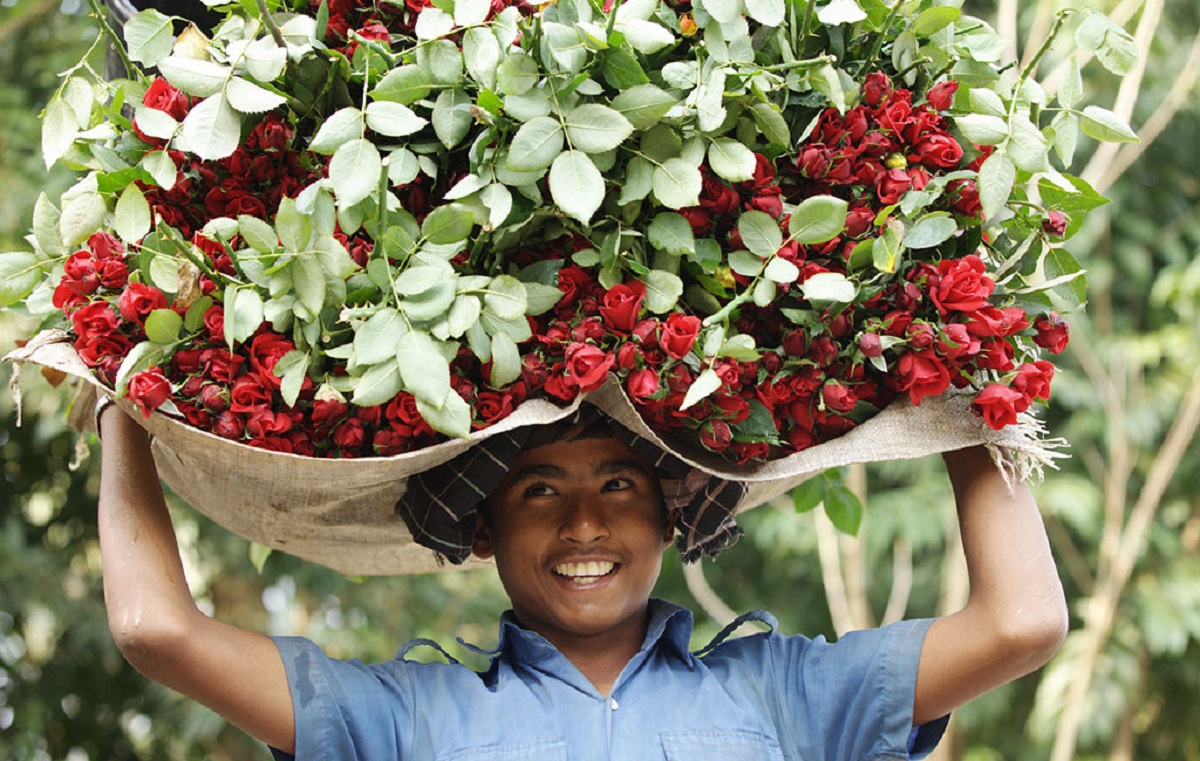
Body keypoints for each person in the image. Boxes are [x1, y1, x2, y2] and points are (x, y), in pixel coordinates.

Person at [96, 397, 1068, 760]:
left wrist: (965, 391)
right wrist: (117, 405)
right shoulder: (403, 718)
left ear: (669, 515)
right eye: (538, 489)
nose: (585, 523)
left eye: (618, 482)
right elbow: (154, 628)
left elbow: (1021, 620)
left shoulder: (790, 695)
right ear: (484, 528)